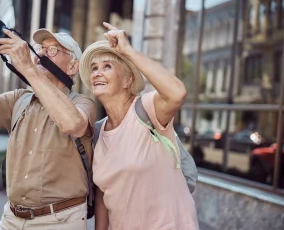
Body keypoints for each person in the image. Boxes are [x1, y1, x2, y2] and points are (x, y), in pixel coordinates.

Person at [0, 27, 96, 229]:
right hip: (11, 218)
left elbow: (73, 124)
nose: (42, 54)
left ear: (73, 67)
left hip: (59, 221)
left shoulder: (84, 104)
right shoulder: (19, 99)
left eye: (53, 50)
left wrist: (28, 67)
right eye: (40, 48)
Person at [79, 22, 199, 230]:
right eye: (94, 68)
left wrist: (128, 50)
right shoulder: (98, 131)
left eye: (107, 66)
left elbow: (177, 92)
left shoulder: (147, 109)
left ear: (127, 80)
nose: (98, 73)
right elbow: (102, 195)